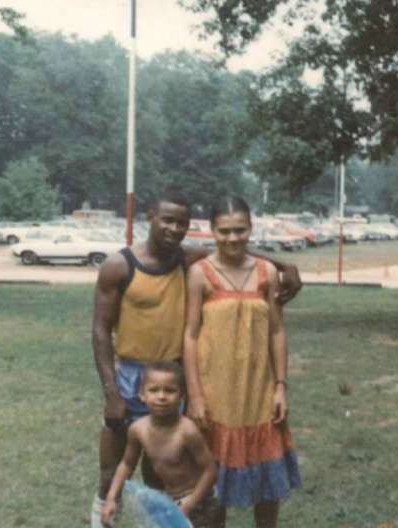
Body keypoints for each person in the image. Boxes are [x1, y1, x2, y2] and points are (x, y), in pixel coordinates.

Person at [91, 191, 301, 527]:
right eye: (168, 220)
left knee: (179, 470)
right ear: (150, 217)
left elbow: (236, 254)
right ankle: (102, 520)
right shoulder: (138, 266)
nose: (174, 228)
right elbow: (105, 331)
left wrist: (284, 264)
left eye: (182, 223)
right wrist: (112, 392)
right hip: (155, 381)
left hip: (215, 384)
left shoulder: (212, 263)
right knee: (125, 465)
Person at [183, 196, 301, 528]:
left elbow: (277, 331)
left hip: (258, 392)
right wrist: (195, 396)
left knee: (268, 489)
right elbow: (190, 336)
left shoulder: (267, 273)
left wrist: (281, 386)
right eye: (224, 231)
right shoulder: (199, 274)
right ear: (212, 231)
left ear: (251, 229)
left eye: (240, 230)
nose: (233, 238)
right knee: (212, 484)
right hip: (214, 393)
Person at [102, 361, 220, 528]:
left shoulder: (187, 431)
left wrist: (189, 505)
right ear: (142, 394)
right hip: (171, 500)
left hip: (201, 501)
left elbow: (211, 471)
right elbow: (127, 464)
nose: (161, 396)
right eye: (154, 390)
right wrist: (112, 497)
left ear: (181, 395)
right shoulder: (138, 430)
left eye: (170, 390)